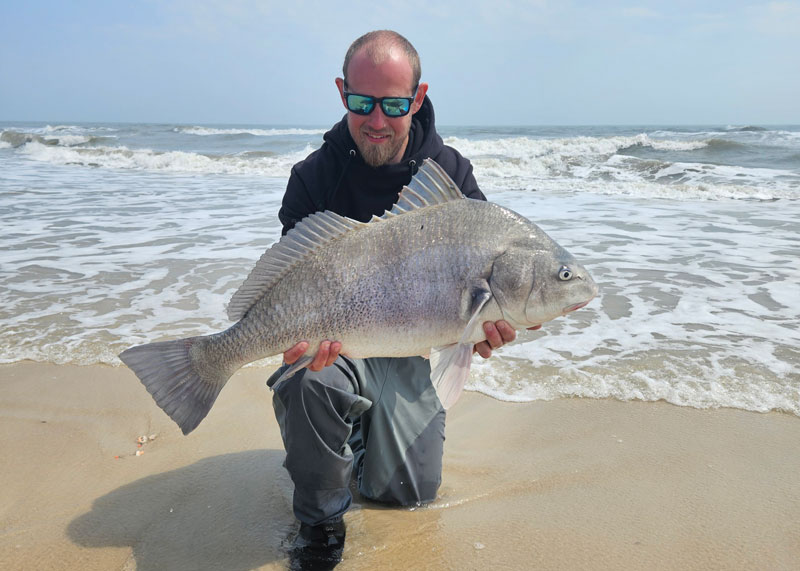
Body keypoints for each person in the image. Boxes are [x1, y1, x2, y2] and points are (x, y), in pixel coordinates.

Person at [269, 30, 525, 569]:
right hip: (335, 351)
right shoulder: (312, 178)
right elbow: (287, 283)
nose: (377, 120)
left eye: (394, 104)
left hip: (408, 356)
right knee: (312, 381)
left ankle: (356, 439)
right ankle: (318, 522)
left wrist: (482, 333)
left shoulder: (451, 176)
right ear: (342, 94)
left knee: (406, 494)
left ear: (418, 96)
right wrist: (293, 343)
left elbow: (475, 309)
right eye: (362, 103)